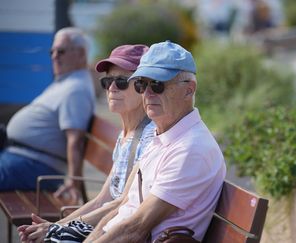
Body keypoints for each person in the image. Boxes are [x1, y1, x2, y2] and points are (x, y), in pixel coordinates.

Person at [84, 41, 226, 242]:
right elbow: (122, 207)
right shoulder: (162, 137)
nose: (148, 94)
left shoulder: (190, 149)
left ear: (189, 89)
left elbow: (135, 228)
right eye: (142, 84)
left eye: (158, 84)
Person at [17, 44, 156, 243]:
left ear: (143, 86)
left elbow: (120, 205)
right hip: (107, 222)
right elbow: (103, 199)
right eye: (107, 81)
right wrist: (58, 225)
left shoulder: (150, 137)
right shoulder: (126, 135)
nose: (112, 88)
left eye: (122, 82)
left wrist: (58, 227)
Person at [0, 27, 95, 202]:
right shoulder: (67, 81)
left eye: (61, 51)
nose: (54, 56)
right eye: (52, 51)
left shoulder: (76, 89)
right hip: (20, 157)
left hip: (34, 165)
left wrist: (73, 181)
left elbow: (75, 140)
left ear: (81, 54)